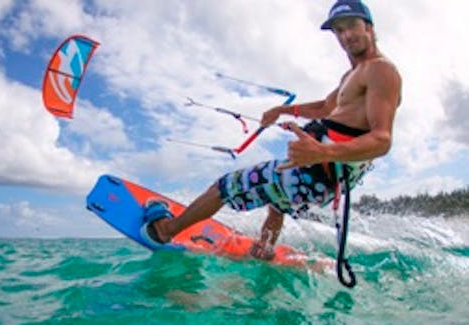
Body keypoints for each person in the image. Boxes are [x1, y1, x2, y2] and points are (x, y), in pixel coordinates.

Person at [140, 0, 402, 260]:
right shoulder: (353, 74)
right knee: (277, 205)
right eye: (339, 30)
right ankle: (264, 249)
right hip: (319, 177)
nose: (345, 35)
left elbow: (382, 140)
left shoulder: (381, 70)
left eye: (351, 26)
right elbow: (324, 106)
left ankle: (165, 230)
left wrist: (322, 152)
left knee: (224, 187)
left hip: (317, 171)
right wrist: (283, 110)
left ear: (368, 26)